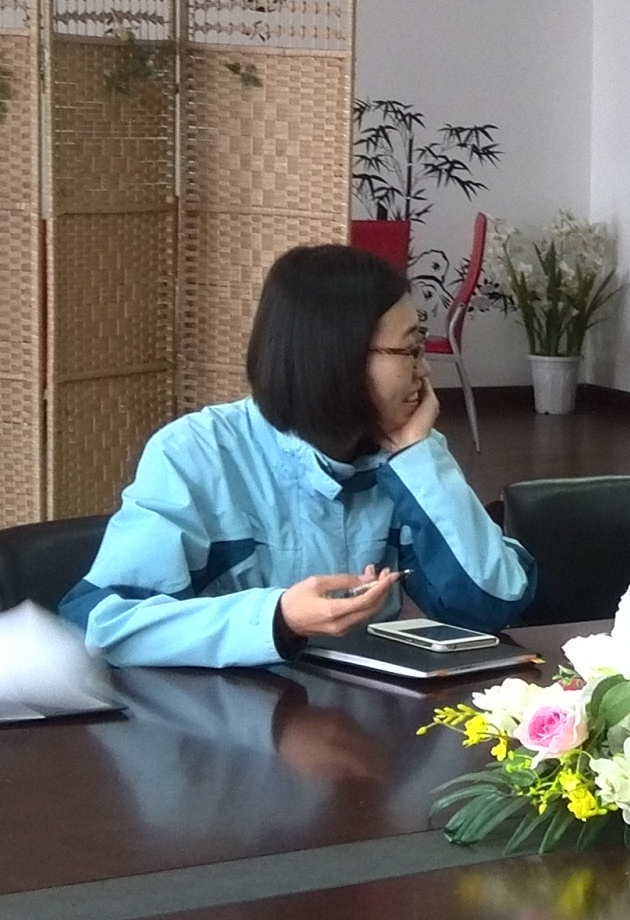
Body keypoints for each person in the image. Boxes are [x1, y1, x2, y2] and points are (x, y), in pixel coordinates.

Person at [67, 244, 534, 666]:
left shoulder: (405, 453)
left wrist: (418, 458)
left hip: (363, 717)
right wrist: (278, 617)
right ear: (338, 357)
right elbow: (105, 625)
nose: (425, 370)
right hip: (227, 719)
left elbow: (491, 604)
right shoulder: (197, 453)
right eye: (410, 350)